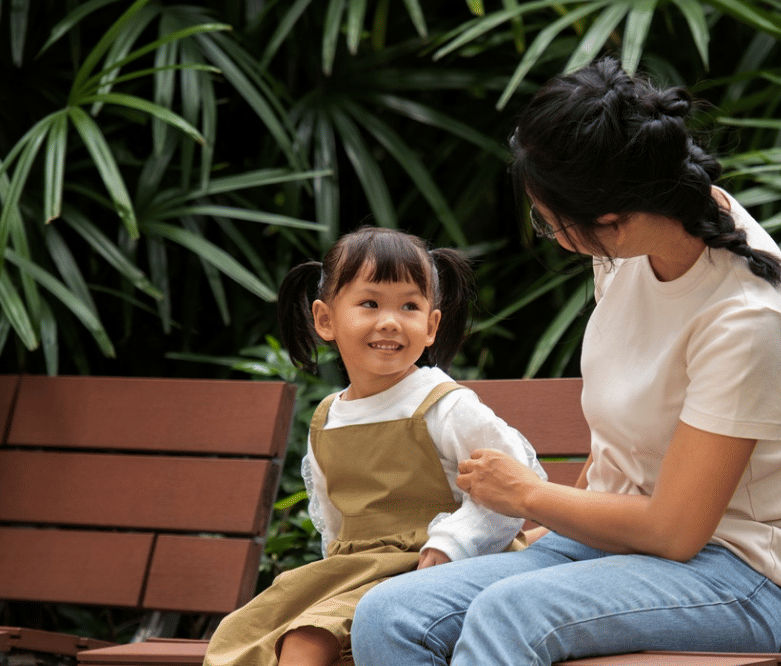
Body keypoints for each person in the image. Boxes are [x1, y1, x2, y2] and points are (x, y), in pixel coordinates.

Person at [350, 56, 781, 665]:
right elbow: (628, 441)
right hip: (609, 547)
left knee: (512, 615)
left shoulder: (747, 319)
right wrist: (550, 529)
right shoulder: (647, 230)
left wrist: (529, 496)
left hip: (741, 579)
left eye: (550, 222)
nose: (550, 235)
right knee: (392, 614)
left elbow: (675, 532)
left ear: (614, 221)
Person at [202, 226, 544, 666]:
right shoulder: (328, 417)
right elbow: (332, 519)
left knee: (308, 637)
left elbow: (516, 483)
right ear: (325, 319)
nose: (390, 320)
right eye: (369, 303)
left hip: (433, 568)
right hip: (359, 570)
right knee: (250, 630)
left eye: (410, 306)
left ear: (431, 326)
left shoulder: (443, 404)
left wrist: (452, 544)